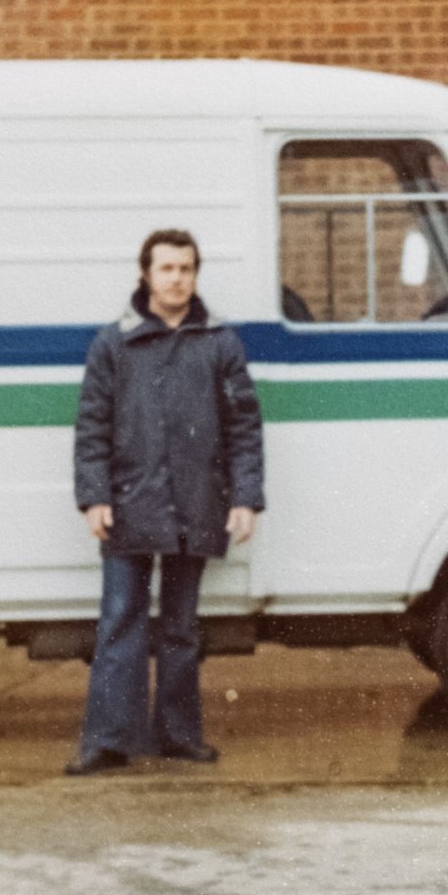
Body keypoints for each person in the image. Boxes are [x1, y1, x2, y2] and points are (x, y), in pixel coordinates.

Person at [66, 229, 265, 776]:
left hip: (196, 505)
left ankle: (179, 735)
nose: (178, 279)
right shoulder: (114, 343)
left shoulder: (219, 343)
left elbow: (244, 426)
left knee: (180, 627)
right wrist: (94, 496)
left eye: (186, 269)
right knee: (120, 621)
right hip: (130, 506)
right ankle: (107, 740)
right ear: (146, 275)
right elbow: (93, 426)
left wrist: (245, 498)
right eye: (167, 269)